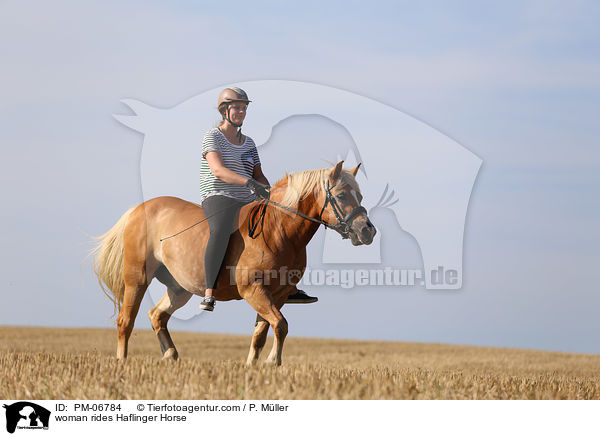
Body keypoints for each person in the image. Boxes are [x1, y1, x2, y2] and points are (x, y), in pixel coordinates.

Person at [199, 87, 318, 311]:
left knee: (282, 227)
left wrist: (269, 191)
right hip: (219, 196)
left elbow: (258, 175)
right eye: (237, 107)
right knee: (220, 229)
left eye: (244, 108)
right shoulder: (212, 137)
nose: (242, 112)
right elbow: (218, 170)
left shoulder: (249, 143)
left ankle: (288, 286)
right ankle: (209, 291)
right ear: (225, 110)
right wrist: (248, 184)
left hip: (247, 199)